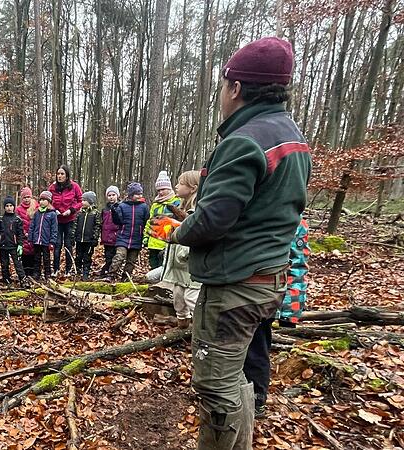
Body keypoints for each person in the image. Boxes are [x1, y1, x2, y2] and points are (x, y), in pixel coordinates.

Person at [167, 37, 311, 449]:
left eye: (223, 85)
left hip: (235, 285)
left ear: (235, 87)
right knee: (240, 377)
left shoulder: (244, 140)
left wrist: (177, 232)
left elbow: (212, 220)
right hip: (269, 277)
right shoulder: (292, 136)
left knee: (215, 386)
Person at [243, 217, 309, 418]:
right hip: (242, 293)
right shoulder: (256, 211)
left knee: (257, 349)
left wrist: (290, 312)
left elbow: (297, 266)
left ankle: (257, 398)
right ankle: (233, 394)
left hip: (268, 297)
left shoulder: (294, 222)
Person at [159, 170, 201, 329]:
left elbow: (196, 235)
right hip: (178, 265)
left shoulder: (197, 210)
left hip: (190, 264)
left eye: (181, 183)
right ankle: (182, 325)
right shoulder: (180, 207)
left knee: (192, 297)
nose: (176, 186)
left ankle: (202, 329)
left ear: (193, 188)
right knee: (178, 296)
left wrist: (185, 252)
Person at [109, 182, 149, 281]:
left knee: (131, 261)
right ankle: (111, 275)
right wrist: (114, 212)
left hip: (136, 238)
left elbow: (146, 221)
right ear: (131, 195)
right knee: (119, 256)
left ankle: (125, 278)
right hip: (123, 237)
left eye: (141, 193)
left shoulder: (144, 207)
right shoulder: (122, 206)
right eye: (137, 194)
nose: (140, 196)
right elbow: (117, 221)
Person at [47, 165, 82, 276]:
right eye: (58, 174)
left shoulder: (74, 186)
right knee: (57, 245)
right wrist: (54, 210)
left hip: (70, 219)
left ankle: (68, 270)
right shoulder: (52, 188)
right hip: (56, 220)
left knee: (68, 245)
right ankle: (56, 269)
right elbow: (47, 201)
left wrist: (71, 210)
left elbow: (81, 201)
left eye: (62, 174)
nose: (60, 176)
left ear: (67, 175)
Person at [144, 171, 181, 270]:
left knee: (164, 266)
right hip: (153, 241)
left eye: (163, 189)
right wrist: (146, 236)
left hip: (167, 241)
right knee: (153, 265)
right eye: (159, 190)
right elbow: (150, 221)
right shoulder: (155, 204)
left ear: (169, 188)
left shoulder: (176, 202)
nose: (160, 192)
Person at [0, 196, 28, 287]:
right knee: (4, 264)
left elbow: (20, 233)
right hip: (3, 245)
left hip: (14, 246)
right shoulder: (0, 219)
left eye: (11, 205)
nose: (9, 208)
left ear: (14, 207)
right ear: (4, 207)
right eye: (7, 206)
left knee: (18, 264)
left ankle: (23, 279)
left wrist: (20, 245)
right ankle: (6, 279)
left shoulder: (17, 220)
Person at [28, 191, 58, 281]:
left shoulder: (52, 214)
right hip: (37, 240)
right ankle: (36, 274)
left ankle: (47, 274)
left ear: (49, 201)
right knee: (36, 258)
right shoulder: (37, 213)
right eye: (40, 200)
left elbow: (54, 229)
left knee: (46, 259)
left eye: (44, 200)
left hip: (46, 241)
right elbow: (32, 226)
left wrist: (52, 241)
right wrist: (30, 239)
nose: (41, 202)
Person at [74, 191, 101, 281]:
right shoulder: (79, 213)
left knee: (87, 257)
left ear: (90, 201)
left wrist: (95, 238)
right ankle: (77, 270)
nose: (82, 202)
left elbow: (97, 226)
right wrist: (73, 236)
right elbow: (75, 225)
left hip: (89, 241)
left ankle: (86, 272)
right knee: (78, 256)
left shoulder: (95, 213)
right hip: (79, 240)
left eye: (84, 200)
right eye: (82, 200)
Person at [15, 187, 38, 278]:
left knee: (34, 256)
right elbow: (17, 223)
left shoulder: (36, 207)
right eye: (24, 197)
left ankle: (33, 274)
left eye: (28, 197)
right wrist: (23, 233)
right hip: (23, 236)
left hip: (34, 236)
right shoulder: (18, 209)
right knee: (24, 255)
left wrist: (32, 233)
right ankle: (25, 274)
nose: (26, 199)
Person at [98, 186, 120, 276]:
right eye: (109, 195)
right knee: (107, 255)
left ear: (117, 195)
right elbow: (101, 222)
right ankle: (107, 270)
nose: (111, 197)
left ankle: (110, 271)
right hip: (106, 236)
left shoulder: (120, 207)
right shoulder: (105, 209)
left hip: (116, 236)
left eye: (113, 195)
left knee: (115, 256)